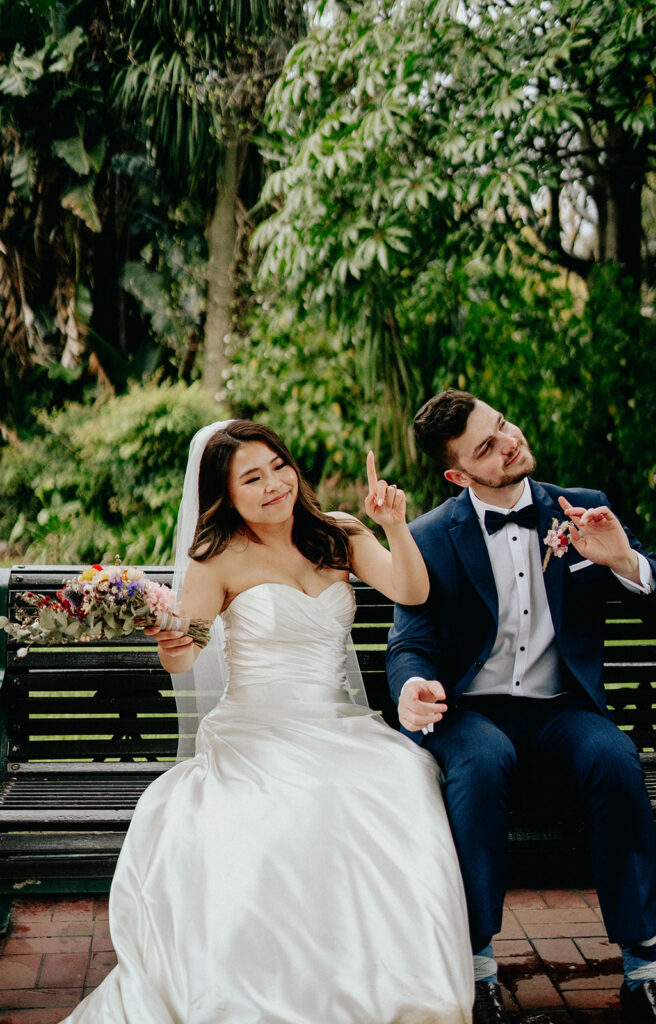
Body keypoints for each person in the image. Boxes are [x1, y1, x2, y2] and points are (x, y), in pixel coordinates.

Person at [58, 419, 473, 1024]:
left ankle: (389, 987)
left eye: (278, 465)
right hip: (255, 731)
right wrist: (168, 638)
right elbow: (188, 649)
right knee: (285, 814)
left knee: (401, 786)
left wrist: (392, 525)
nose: (274, 483)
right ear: (226, 496)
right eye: (252, 478)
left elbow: (411, 592)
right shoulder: (216, 558)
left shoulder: (341, 535)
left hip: (338, 724)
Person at [386, 389, 656, 1024]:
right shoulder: (430, 538)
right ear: (457, 474)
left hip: (560, 708)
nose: (508, 442)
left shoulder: (584, 510)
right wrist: (413, 689)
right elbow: (409, 644)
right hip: (472, 714)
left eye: (502, 426)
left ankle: (643, 971)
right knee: (481, 765)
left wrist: (622, 559)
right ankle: (478, 971)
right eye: (486, 448)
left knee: (616, 759)